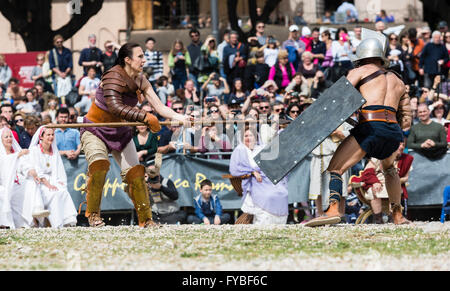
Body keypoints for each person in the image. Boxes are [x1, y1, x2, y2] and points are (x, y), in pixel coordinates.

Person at [304, 35, 412, 227]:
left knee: (335, 168)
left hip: (370, 128)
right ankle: (398, 215)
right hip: (393, 132)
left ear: (362, 55)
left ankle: (333, 209)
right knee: (389, 170)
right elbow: (406, 119)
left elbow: (338, 97)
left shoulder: (360, 71)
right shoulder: (398, 80)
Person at [80, 42, 188, 228]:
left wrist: (181, 116)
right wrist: (145, 116)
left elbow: (160, 107)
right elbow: (116, 107)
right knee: (99, 165)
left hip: (121, 132)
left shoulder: (141, 80)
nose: (144, 60)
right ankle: (93, 215)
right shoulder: (112, 76)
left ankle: (146, 220)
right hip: (95, 130)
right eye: (140, 56)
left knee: (136, 173)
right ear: (127, 60)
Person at [229, 126, 289, 224]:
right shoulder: (240, 150)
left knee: (282, 192)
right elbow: (234, 169)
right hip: (253, 181)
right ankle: (264, 222)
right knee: (268, 195)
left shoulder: (261, 148)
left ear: (256, 137)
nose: (248, 138)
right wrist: (251, 172)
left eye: (251, 135)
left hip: (267, 179)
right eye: (246, 136)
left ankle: (279, 222)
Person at [26, 126, 78, 228]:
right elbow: (37, 170)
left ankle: (66, 222)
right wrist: (48, 184)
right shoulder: (34, 150)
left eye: (52, 134)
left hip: (53, 180)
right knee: (53, 194)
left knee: (62, 191)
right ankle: (56, 224)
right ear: (41, 137)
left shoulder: (54, 151)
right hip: (39, 183)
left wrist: (59, 183)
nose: (51, 137)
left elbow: (59, 170)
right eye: (48, 135)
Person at [0, 127, 50, 228]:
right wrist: (18, 154)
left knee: (31, 183)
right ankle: (26, 222)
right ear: (1, 139)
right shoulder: (5, 155)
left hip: (18, 181)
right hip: (6, 183)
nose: (9, 139)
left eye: (10, 136)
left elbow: (23, 165)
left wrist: (31, 172)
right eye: (6, 137)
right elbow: (5, 162)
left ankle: (36, 212)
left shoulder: (15, 154)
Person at [309, 124, 352, 218]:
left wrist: (339, 133)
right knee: (318, 188)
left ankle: (340, 215)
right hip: (319, 157)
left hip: (338, 155)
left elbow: (353, 132)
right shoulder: (315, 118)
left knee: (341, 187)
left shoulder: (344, 118)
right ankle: (321, 215)